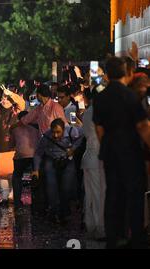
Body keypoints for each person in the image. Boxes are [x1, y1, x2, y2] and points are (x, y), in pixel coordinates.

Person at [93, 56, 150, 248]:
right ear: (128, 73)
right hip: (131, 152)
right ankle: (136, 236)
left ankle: (113, 236)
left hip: (110, 151)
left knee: (113, 194)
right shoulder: (131, 97)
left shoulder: (100, 97)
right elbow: (142, 126)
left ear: (107, 75)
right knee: (134, 195)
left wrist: (108, 145)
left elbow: (99, 128)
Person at [32, 118, 84, 224]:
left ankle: (64, 212)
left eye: (58, 132)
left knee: (66, 188)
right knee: (51, 187)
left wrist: (73, 149)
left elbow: (82, 137)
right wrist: (36, 170)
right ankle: (54, 211)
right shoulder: (46, 136)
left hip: (67, 161)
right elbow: (38, 153)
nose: (55, 135)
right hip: (51, 160)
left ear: (63, 129)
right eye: (53, 132)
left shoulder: (72, 131)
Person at [0, 86, 25, 205]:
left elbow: (22, 103)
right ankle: (4, 197)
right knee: (2, 174)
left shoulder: (16, 109)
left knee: (14, 173)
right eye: (3, 98)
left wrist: (11, 94)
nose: (4, 100)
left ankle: (12, 195)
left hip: (14, 146)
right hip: (0, 145)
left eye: (7, 98)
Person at [81, 85, 105, 240]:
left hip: (89, 158)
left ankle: (91, 226)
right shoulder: (100, 111)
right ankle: (100, 229)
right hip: (97, 159)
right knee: (99, 195)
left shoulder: (88, 112)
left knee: (90, 195)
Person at [9, 111, 40, 208]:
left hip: (20, 156)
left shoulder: (15, 129)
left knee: (17, 176)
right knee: (36, 177)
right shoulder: (36, 129)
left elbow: (11, 144)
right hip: (35, 156)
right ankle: (36, 201)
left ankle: (17, 201)